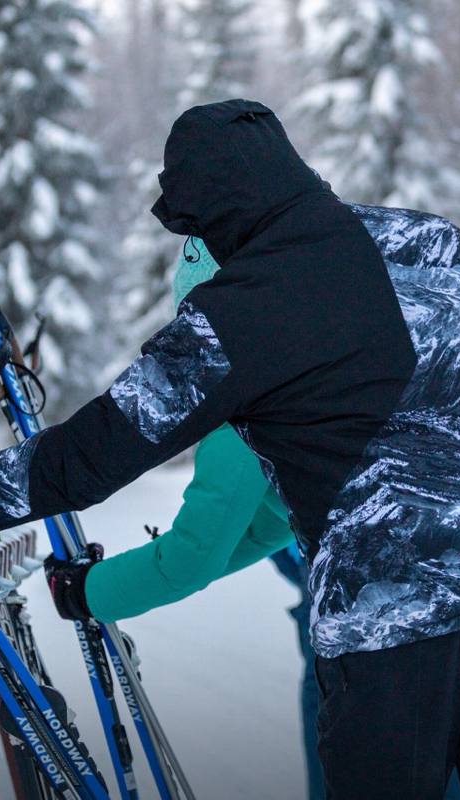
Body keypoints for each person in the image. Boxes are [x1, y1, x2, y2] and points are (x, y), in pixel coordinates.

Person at [0, 99, 460, 799]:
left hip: (390, 635)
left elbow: (84, 459)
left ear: (210, 211)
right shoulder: (440, 243)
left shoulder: (238, 313)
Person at [78, 237, 325, 799]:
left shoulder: (246, 397)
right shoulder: (314, 356)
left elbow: (194, 557)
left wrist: (88, 591)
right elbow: (275, 525)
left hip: (394, 624)